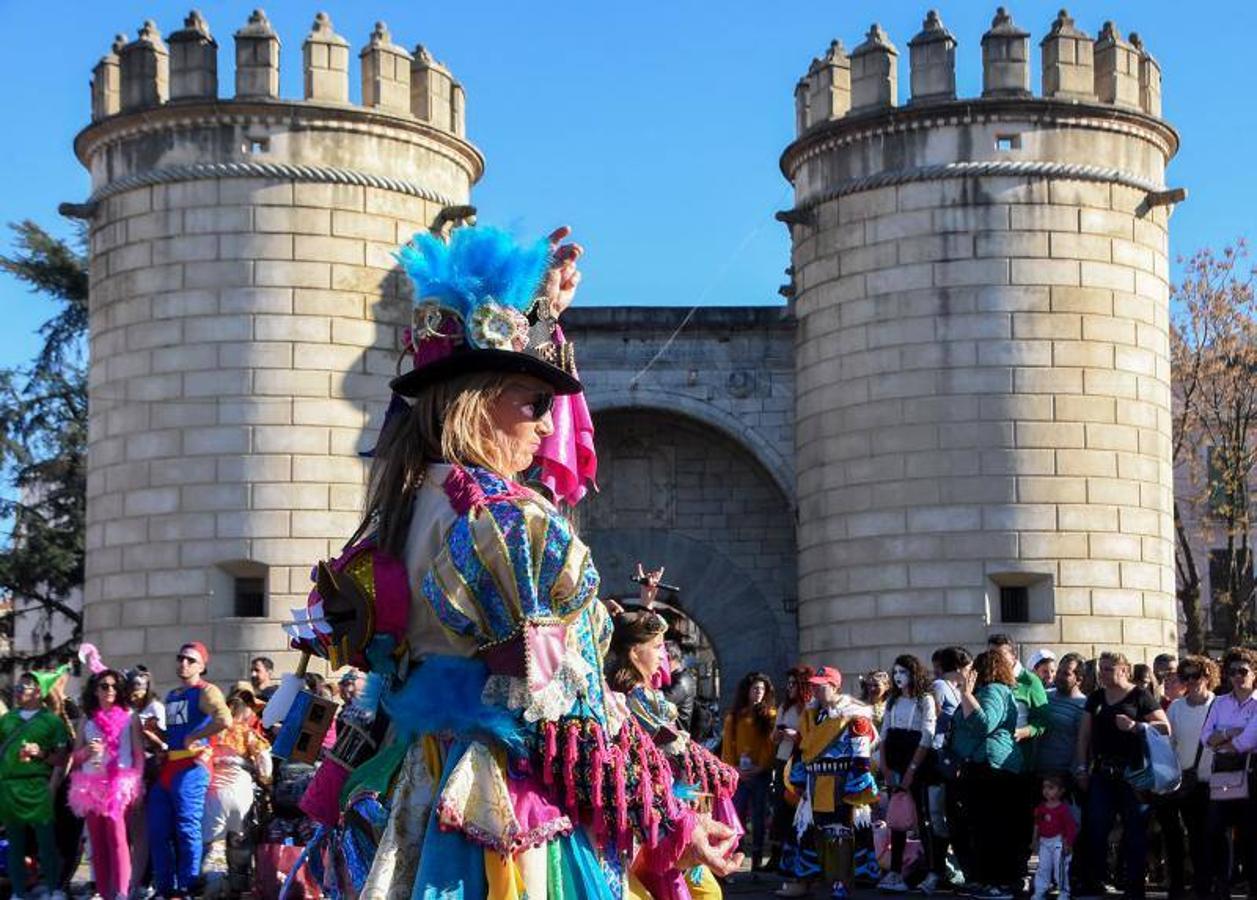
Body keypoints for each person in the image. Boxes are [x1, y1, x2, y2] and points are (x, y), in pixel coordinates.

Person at [293, 225, 742, 900]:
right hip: (504, 804)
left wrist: (542, 311)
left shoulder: (400, 517)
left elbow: (380, 694)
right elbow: (562, 709)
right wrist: (669, 822)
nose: (543, 425)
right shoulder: (508, 522)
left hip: (419, 789)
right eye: (531, 404)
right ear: (475, 405)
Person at [607, 607, 741, 900]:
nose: (662, 656)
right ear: (634, 654)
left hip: (671, 805)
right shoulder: (633, 699)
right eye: (656, 648)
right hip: (653, 813)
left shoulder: (648, 694)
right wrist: (705, 760)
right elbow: (667, 744)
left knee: (702, 892)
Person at [1074, 651, 1170, 899]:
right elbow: (1084, 736)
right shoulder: (1096, 697)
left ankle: (1134, 886)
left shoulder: (1140, 696)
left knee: (1136, 831)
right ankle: (1094, 881)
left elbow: (1165, 727)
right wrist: (1082, 769)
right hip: (1103, 773)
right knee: (1096, 829)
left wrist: (1137, 726)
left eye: (1108, 669)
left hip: (1134, 774)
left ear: (1124, 670)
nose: (1103, 674)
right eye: (1101, 669)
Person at [779, 666, 879, 900]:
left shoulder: (855, 717)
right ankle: (806, 881)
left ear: (834, 686)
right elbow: (805, 751)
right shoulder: (811, 716)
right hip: (814, 783)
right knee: (807, 832)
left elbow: (862, 756)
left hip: (840, 783)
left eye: (821, 685)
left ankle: (841, 883)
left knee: (840, 834)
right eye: (813, 685)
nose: (815, 689)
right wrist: (800, 780)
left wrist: (857, 788)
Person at [147, 641, 231, 899]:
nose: (184, 663)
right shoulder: (172, 695)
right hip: (170, 766)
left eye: (191, 660)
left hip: (192, 768)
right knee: (158, 830)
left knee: (186, 828)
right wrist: (154, 732)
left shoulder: (206, 691)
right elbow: (175, 734)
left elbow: (224, 719)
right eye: (181, 658)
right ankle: (165, 887)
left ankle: (188, 887)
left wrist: (197, 735)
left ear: (202, 666)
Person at [68, 660, 145, 900]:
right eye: (104, 685)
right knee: (98, 842)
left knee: (118, 838)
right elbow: (76, 756)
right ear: (95, 689)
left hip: (119, 784)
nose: (110, 690)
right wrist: (88, 753)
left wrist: (138, 785)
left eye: (114, 686)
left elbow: (138, 753)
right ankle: (104, 892)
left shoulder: (130, 717)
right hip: (91, 785)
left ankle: (122, 893)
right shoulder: (87, 720)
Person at [953, 650, 1022, 900]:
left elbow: (985, 724)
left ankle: (997, 883)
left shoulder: (992, 690)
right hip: (989, 765)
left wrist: (966, 694)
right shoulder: (999, 690)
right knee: (988, 826)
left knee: (991, 827)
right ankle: (988, 880)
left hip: (992, 766)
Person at [0, 666, 71, 900]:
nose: (19, 691)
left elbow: (61, 758)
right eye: (18, 687)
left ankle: (53, 890)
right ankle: (18, 893)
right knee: (16, 844)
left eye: (25, 687)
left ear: (39, 692)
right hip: (10, 786)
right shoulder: (7, 719)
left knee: (46, 842)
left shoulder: (52, 722)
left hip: (38, 786)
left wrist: (40, 754)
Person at [987, 633, 1049, 891]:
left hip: (1022, 763)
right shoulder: (990, 679)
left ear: (1013, 655)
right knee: (998, 820)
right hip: (994, 764)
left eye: (999, 655)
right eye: (991, 655)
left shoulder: (1030, 680)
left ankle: (1020, 873)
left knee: (1020, 821)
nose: (995, 660)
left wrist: (1024, 732)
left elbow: (1043, 722)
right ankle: (1000, 875)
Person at [1158, 654, 1219, 900]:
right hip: (1180, 781)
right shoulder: (1176, 707)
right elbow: (1169, 743)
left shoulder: (1219, 704)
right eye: (1187, 676)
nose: (1192, 681)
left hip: (1208, 783)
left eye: (1197, 675)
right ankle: (1177, 886)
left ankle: (1204, 886)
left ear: (1208, 676)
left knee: (1201, 839)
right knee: (1174, 838)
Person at [877, 654, 938, 894]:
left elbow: (927, 735)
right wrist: (885, 766)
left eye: (903, 672)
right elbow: (883, 734)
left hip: (917, 760)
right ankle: (895, 870)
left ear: (914, 673)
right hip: (895, 759)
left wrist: (912, 770)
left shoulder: (925, 700)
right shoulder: (892, 700)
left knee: (923, 817)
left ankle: (933, 871)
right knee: (897, 818)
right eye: (895, 672)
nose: (898, 677)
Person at [1200, 646, 1257, 900]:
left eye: (1243, 670)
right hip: (1223, 775)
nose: (1237, 676)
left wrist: (1223, 739)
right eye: (1232, 671)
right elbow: (1205, 739)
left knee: (1250, 835)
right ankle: (1221, 883)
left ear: (1254, 673)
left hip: (1253, 775)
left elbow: (1245, 742)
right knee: (1215, 832)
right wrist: (1227, 733)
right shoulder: (1220, 702)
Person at [202, 687, 273, 891]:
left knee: (215, 843)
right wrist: (265, 780)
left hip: (214, 792)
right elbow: (264, 759)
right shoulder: (245, 731)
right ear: (245, 711)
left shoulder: (212, 732)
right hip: (240, 789)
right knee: (239, 840)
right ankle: (239, 887)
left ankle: (213, 887)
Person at [722, 672, 777, 870]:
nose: (758, 693)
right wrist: (733, 768)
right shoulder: (735, 716)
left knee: (759, 818)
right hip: (739, 776)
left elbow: (769, 745)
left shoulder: (769, 715)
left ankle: (756, 860)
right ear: (747, 691)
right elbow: (728, 746)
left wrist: (761, 766)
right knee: (736, 817)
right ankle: (736, 855)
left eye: (762, 689)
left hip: (760, 775)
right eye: (755, 689)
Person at [768, 665, 813, 872]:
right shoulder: (785, 707)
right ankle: (777, 857)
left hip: (799, 761)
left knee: (796, 808)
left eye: (794, 683)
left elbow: (812, 738)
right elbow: (773, 737)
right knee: (780, 809)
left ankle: (795, 856)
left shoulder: (808, 708)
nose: (789, 687)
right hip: (782, 758)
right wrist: (777, 735)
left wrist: (796, 736)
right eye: (788, 684)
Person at [125, 664, 165, 894]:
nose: (137, 690)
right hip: (128, 772)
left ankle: (146, 880)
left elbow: (163, 742)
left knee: (148, 829)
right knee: (131, 830)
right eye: (133, 685)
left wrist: (150, 735)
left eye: (141, 685)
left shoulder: (156, 708)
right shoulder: (126, 710)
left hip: (151, 772)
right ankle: (132, 877)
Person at [1036, 652, 1088, 777]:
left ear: (1079, 679)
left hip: (1062, 775)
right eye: (1059, 671)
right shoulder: (1044, 696)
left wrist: (1077, 771)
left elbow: (1083, 742)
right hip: (1037, 769)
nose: (1058, 676)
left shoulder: (1083, 705)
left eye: (1066, 674)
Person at [1030, 773, 1076, 900]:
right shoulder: (1041, 807)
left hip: (1059, 842)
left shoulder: (1063, 809)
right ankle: (1040, 891)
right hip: (1044, 842)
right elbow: (1037, 825)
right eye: (1044, 787)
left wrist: (1068, 843)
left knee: (1059, 869)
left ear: (1061, 791)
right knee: (1042, 867)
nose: (1046, 791)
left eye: (1051, 788)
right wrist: (1035, 840)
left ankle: (1064, 892)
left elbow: (1070, 828)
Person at [662, 641, 698, 737]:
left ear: (669, 659)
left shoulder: (682, 681)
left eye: (661, 659)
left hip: (676, 740)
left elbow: (659, 704)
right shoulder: (675, 677)